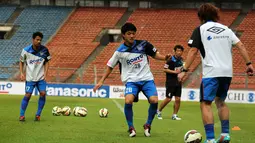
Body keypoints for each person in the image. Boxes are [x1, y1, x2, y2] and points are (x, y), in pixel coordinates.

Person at [178, 3, 254, 143]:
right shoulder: (227, 29)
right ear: (215, 15)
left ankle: (211, 139)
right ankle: (225, 134)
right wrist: (249, 64)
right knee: (220, 102)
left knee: (206, 103)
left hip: (211, 73)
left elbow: (193, 51)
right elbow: (241, 45)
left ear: (200, 16)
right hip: (227, 73)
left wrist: (184, 70)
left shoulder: (200, 29)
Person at [93, 23, 170, 137]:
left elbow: (154, 55)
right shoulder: (119, 51)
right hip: (131, 81)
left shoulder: (144, 44)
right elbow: (110, 66)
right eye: (129, 34)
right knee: (128, 101)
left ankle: (148, 125)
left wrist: (164, 58)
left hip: (147, 79)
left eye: (133, 33)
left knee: (154, 100)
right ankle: (131, 127)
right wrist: (101, 80)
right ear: (123, 35)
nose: (132, 36)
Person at [19, 32, 51, 121]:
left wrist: (46, 72)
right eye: (37, 39)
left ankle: (38, 115)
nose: (39, 41)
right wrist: (21, 73)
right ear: (33, 40)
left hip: (41, 78)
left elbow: (47, 61)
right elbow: (21, 62)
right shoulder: (26, 50)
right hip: (30, 78)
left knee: (43, 93)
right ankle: (22, 115)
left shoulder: (45, 50)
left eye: (40, 40)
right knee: (28, 95)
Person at [157, 45, 184, 120]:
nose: (179, 52)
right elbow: (165, 69)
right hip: (170, 82)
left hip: (178, 82)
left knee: (178, 99)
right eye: (177, 50)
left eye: (180, 51)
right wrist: (174, 72)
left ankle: (174, 115)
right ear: (174, 51)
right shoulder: (170, 60)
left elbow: (182, 70)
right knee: (168, 98)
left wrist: (182, 75)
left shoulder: (181, 60)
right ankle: (159, 111)